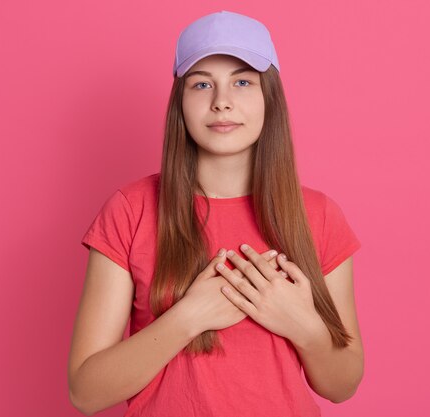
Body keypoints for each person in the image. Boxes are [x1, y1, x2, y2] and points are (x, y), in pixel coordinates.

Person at [68, 10, 364, 417]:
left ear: (269, 98)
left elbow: (342, 385)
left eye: (242, 82)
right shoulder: (130, 209)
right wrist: (187, 317)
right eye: (202, 83)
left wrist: (304, 326)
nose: (221, 101)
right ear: (180, 102)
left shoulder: (319, 215)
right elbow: (86, 392)